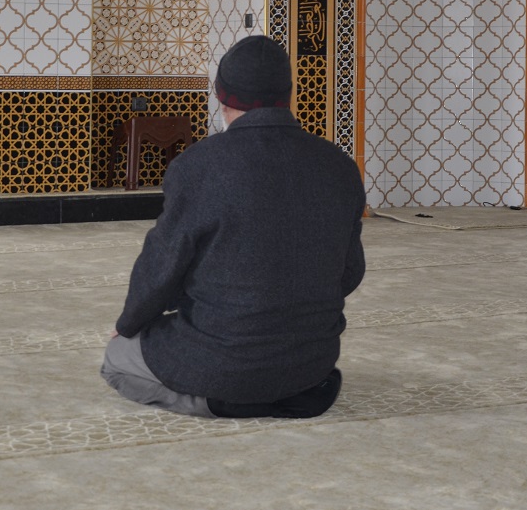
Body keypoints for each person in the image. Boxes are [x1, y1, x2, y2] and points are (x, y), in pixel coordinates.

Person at [101, 35, 367, 419]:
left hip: (222, 359)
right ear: (287, 94)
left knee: (116, 358)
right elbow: (350, 272)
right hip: (310, 362)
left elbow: (162, 266)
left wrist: (130, 324)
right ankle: (288, 392)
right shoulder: (339, 165)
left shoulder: (198, 166)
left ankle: (216, 400)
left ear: (222, 96)